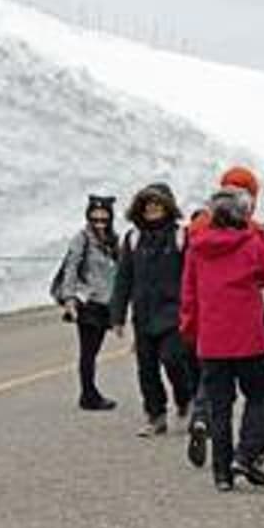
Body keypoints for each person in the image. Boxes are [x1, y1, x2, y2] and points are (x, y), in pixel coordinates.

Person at [180, 187, 264, 492]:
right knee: (260, 396)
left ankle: (221, 474)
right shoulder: (251, 243)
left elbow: (189, 294)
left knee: (218, 406)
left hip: (212, 341)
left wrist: (189, 330)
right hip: (250, 338)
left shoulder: (197, 248)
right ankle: (247, 454)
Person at [110, 182, 196, 437]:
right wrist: (117, 316)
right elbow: (123, 278)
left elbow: (193, 275)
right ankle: (155, 415)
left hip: (174, 312)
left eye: (158, 205)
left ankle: (185, 398)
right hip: (144, 314)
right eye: (148, 205)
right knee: (146, 368)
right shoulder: (133, 238)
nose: (152, 209)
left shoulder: (182, 236)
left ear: (168, 207)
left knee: (172, 359)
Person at [52, 195, 120, 411]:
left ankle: (89, 393)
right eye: (95, 219)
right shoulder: (81, 238)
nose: (99, 223)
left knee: (93, 351)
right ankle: (88, 395)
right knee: (88, 352)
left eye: (104, 219)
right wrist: (69, 299)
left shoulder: (112, 240)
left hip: (104, 303)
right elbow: (71, 267)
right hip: (87, 302)